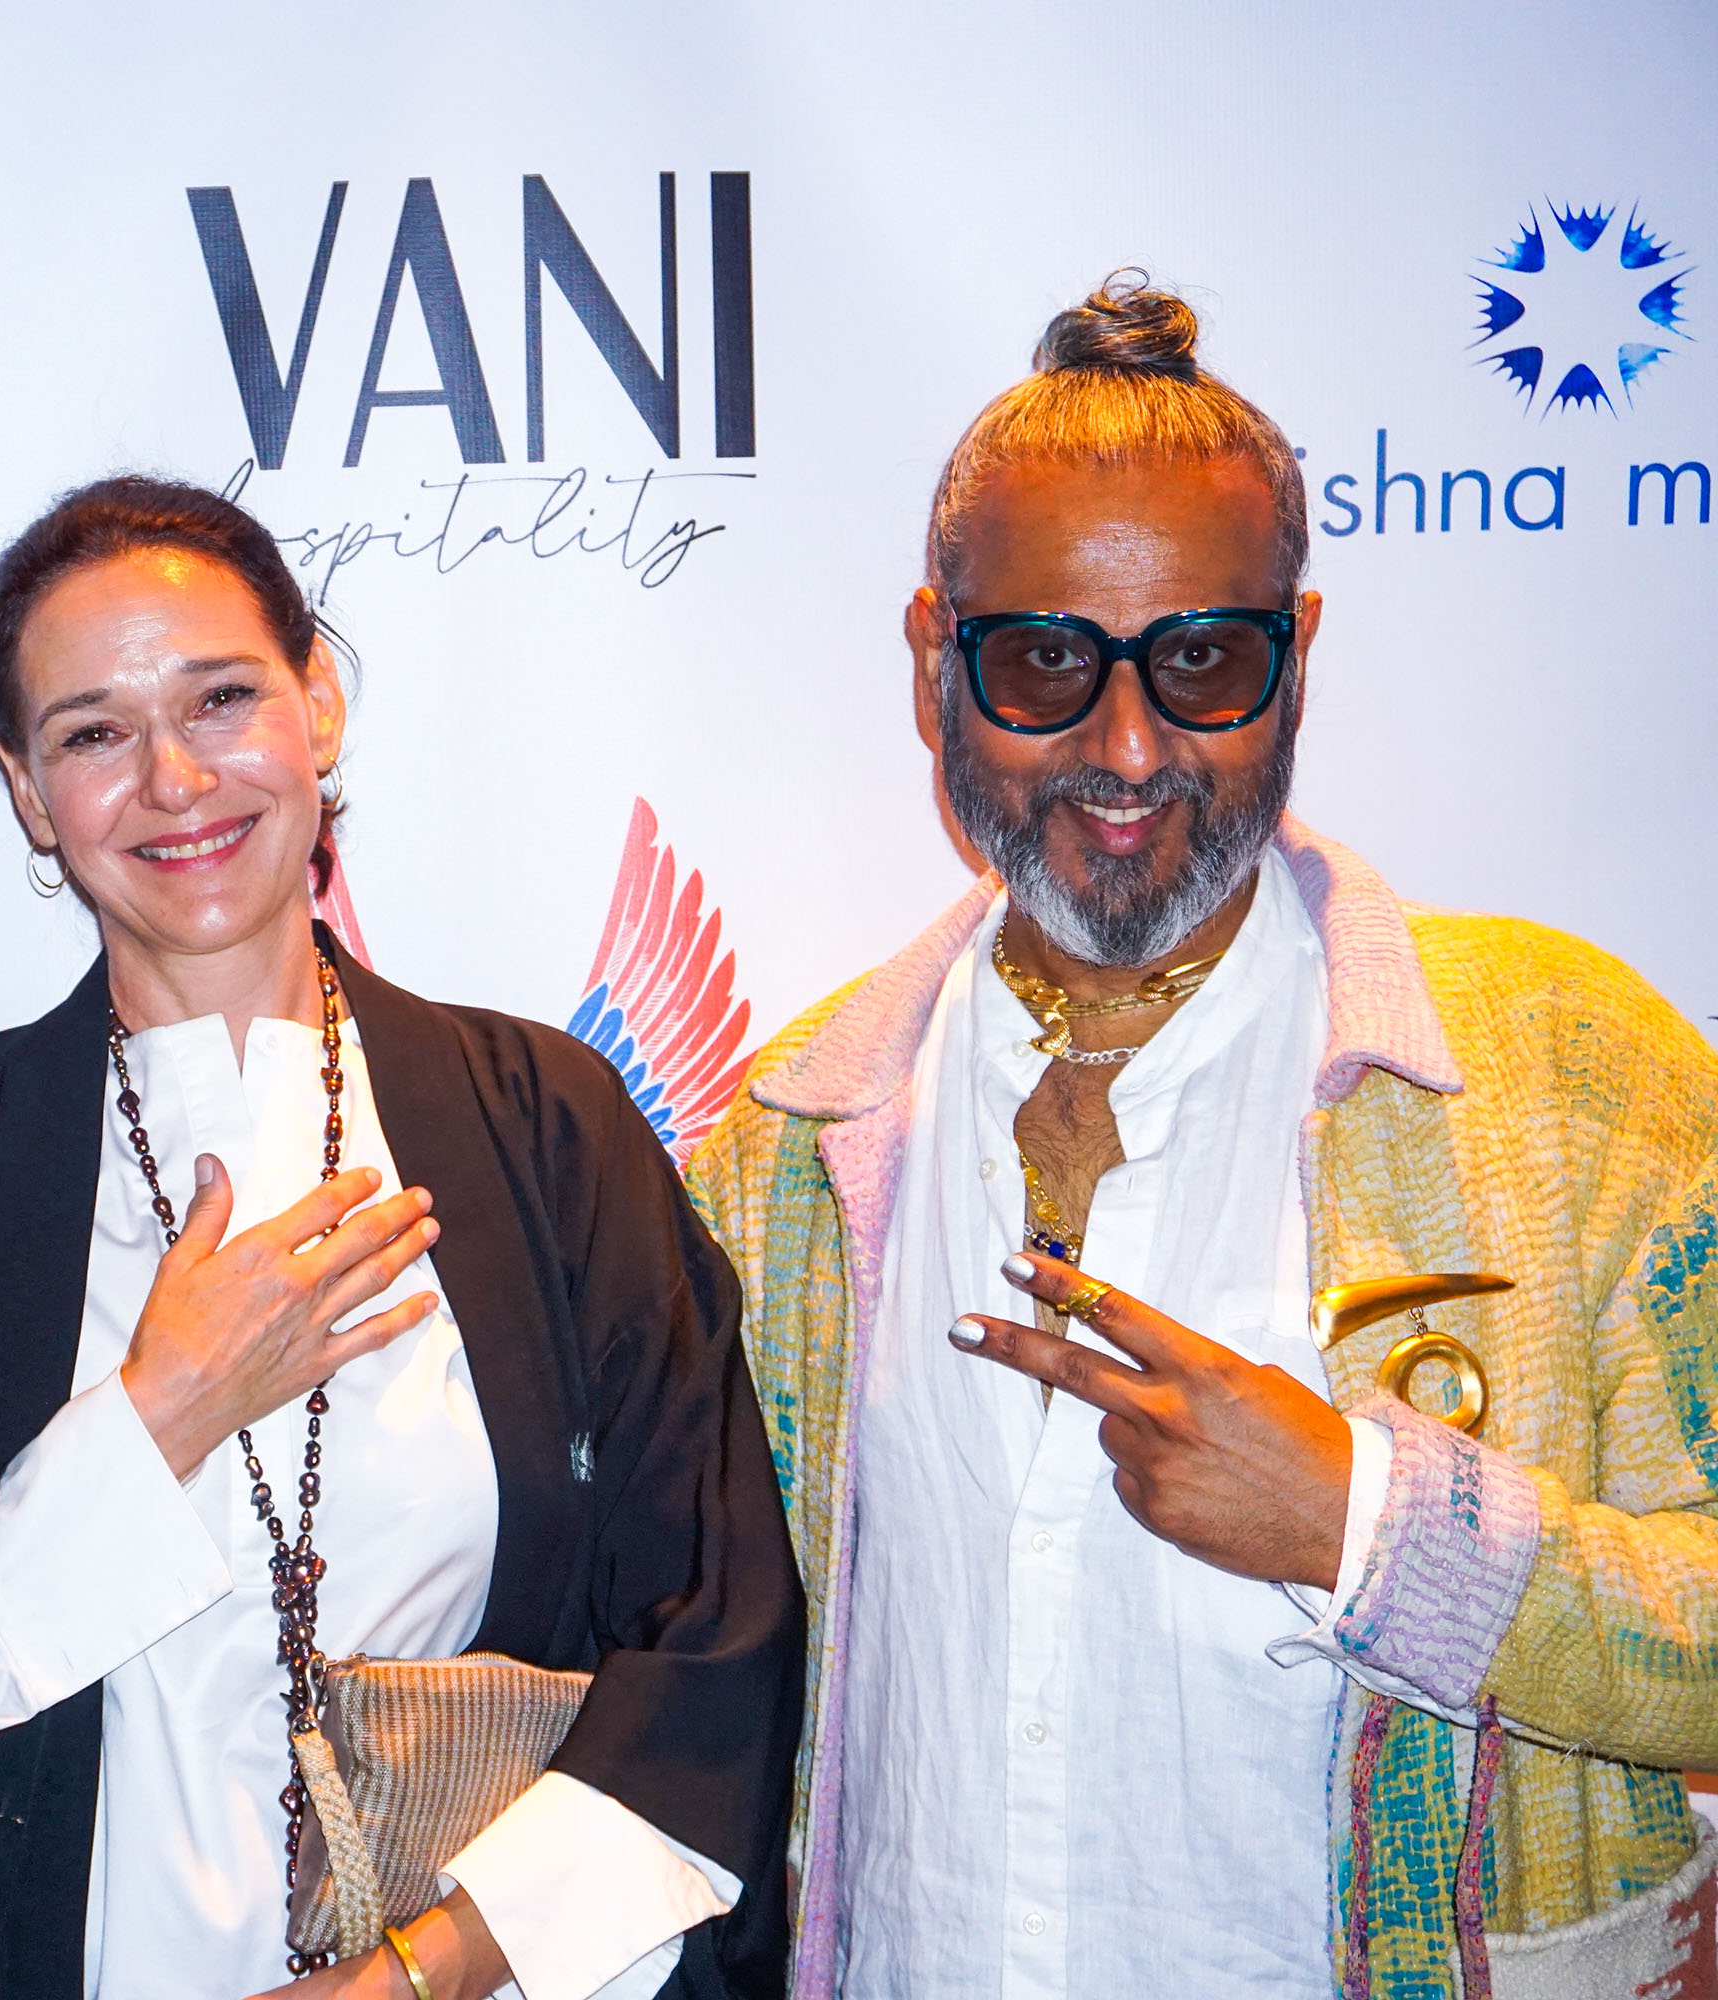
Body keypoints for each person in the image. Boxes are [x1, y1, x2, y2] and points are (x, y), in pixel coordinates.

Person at [688, 274, 1718, 2000]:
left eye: (1203, 662)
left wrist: (1369, 1525)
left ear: (1295, 654)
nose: (1127, 747)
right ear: (936, 662)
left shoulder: (1569, 1074)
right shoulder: (789, 1146)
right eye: (1043, 664)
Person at [0, 476, 803, 2000]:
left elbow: (715, 1634)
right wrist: (163, 1415)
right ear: (26, 790)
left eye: (221, 699)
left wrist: (427, 1974)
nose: (174, 780)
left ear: (319, 707)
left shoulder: (547, 1125)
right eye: (91, 734)